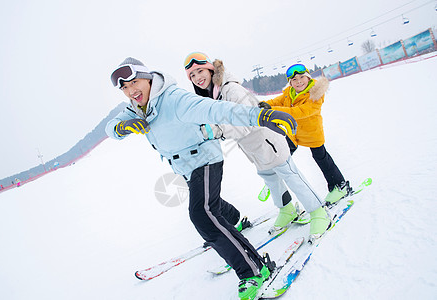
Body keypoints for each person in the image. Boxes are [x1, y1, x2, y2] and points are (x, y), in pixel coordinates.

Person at [105, 57, 298, 299]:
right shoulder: (136, 109)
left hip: (204, 159)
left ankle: (254, 270)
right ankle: (236, 221)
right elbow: (110, 126)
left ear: (148, 78)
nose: (131, 91)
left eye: (134, 83)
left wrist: (258, 116)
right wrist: (121, 128)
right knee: (209, 205)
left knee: (202, 214)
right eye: (124, 88)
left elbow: (217, 109)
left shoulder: (173, 99)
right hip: (185, 165)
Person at [183, 52, 330, 241]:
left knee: (291, 176)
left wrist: (217, 130)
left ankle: (319, 212)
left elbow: (248, 121)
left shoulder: (231, 90)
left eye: (200, 71)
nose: (197, 78)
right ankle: (287, 210)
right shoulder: (215, 94)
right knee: (270, 178)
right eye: (192, 76)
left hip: (268, 141)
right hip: (253, 148)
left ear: (211, 70)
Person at [259, 64, 351, 205]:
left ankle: (339, 186)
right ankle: (274, 178)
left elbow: (302, 111)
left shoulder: (316, 93)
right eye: (294, 79)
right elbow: (275, 101)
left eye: (302, 77)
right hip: (294, 133)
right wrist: (261, 105)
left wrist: (273, 110)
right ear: (290, 82)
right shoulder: (289, 92)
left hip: (311, 133)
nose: (299, 81)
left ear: (308, 77)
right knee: (282, 155)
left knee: (321, 157)